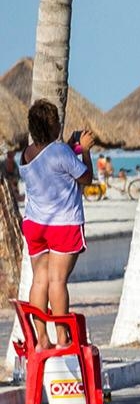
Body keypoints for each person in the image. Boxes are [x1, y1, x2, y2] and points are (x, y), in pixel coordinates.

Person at [16, 99, 95, 350]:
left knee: (40, 281)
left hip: (35, 225)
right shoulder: (61, 151)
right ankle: (62, 338)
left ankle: (41, 339)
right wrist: (85, 150)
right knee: (58, 281)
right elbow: (86, 177)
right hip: (62, 225)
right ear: (52, 126)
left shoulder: (26, 154)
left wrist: (72, 146)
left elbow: (51, 163)